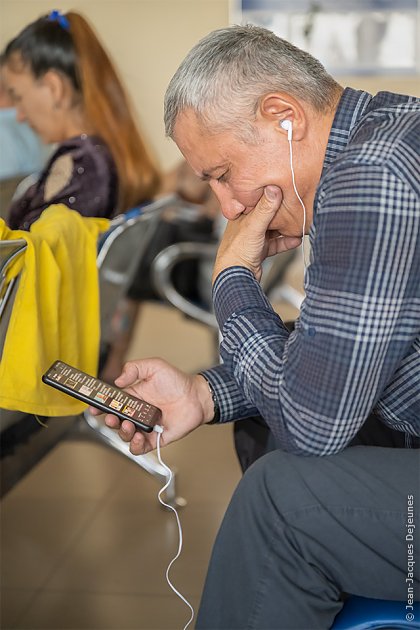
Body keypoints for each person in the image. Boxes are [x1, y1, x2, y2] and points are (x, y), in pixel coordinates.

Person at [89, 25, 420, 628]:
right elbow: (349, 352)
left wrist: (232, 278)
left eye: (222, 173)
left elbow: (313, 424)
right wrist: (205, 392)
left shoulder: (372, 175)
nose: (228, 206)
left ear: (283, 116)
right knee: (259, 428)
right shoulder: (381, 137)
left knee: (282, 500)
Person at [0, 10, 160, 230]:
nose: (19, 115)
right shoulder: (96, 158)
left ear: (54, 88)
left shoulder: (83, 165)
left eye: (18, 97)